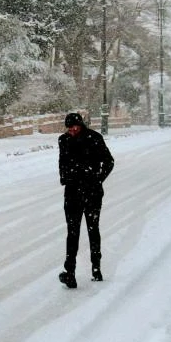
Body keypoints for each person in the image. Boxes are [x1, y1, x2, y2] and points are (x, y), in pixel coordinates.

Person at [57, 110, 114, 289]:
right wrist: (64, 178)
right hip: (72, 192)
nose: (72, 131)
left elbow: (109, 161)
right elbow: (62, 161)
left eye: (75, 127)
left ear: (81, 125)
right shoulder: (63, 140)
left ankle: (96, 268)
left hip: (92, 192)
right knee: (72, 232)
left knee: (92, 229)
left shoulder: (94, 138)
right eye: (69, 129)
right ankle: (70, 273)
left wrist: (97, 179)